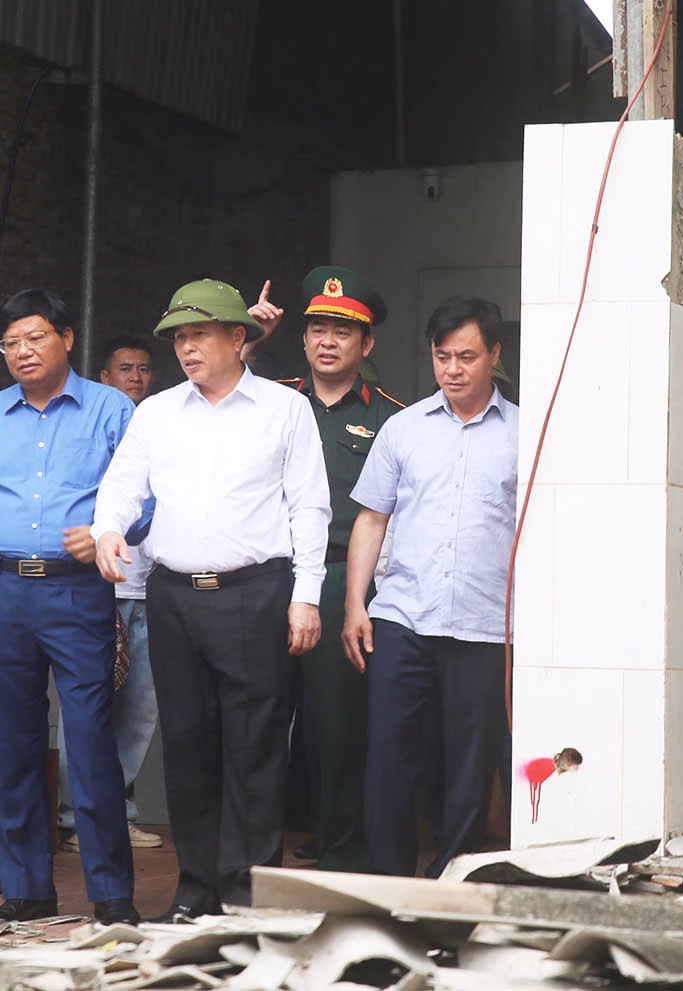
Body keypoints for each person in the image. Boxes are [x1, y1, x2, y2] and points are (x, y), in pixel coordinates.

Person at [92, 278, 330, 919]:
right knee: (188, 748)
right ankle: (196, 892)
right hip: (173, 596)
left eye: (199, 335)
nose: (186, 349)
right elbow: (121, 487)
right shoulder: (156, 412)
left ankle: (250, 893)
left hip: (255, 593)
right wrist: (108, 529)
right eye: (179, 338)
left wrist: (306, 597)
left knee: (255, 751)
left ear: (237, 337)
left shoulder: (284, 409)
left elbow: (310, 507)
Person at [0, 289, 140, 926]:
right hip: (1, 592)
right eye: (11, 344)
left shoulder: (111, 409)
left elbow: (145, 497)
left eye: (35, 338)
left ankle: (111, 893)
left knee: (89, 740)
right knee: (11, 742)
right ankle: (26, 889)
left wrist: (106, 532)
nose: (22, 352)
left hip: (77, 590)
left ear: (66, 338)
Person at [341, 294, 517, 879]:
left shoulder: (522, 433)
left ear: (494, 354)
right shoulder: (403, 428)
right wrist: (355, 605)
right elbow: (372, 519)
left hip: (484, 624)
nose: (453, 370)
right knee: (389, 752)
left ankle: (450, 876)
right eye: (443, 357)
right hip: (402, 618)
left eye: (467, 356)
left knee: (469, 761)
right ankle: (387, 879)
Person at [251, 267, 404, 872]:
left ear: (367, 345)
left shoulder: (392, 418)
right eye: (317, 328)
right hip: (270, 575)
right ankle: (254, 860)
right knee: (259, 720)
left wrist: (363, 595)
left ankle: (342, 855)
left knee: (339, 728)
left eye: (343, 331)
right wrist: (248, 340)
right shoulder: (273, 401)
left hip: (344, 577)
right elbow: (214, 394)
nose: (327, 341)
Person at [58, 335, 163, 852]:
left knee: (141, 711)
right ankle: (74, 816)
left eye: (143, 369)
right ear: (104, 377)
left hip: (155, 589)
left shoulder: (166, 423)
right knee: (90, 706)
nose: (135, 378)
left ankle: (116, 812)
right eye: (125, 368)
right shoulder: (93, 426)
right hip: (104, 586)